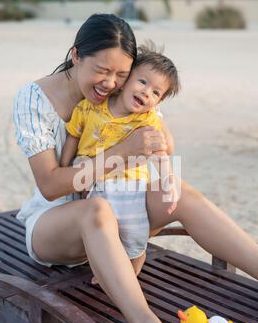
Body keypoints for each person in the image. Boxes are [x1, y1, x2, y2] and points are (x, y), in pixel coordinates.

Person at [13, 13, 258, 323]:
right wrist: (120, 153)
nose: (110, 83)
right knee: (95, 210)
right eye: (102, 71)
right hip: (57, 227)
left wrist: (157, 154)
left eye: (121, 74)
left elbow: (161, 140)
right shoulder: (34, 99)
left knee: (180, 192)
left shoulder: (127, 95)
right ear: (75, 55)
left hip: (121, 212)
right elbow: (52, 185)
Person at [60, 42, 180, 282]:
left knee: (132, 231)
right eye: (143, 82)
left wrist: (168, 182)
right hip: (94, 180)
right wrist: (65, 168)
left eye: (156, 93)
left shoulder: (147, 121)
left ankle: (135, 263)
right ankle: (107, 271)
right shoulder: (90, 107)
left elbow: (161, 153)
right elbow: (73, 136)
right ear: (126, 79)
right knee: (103, 232)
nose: (147, 93)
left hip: (129, 185)